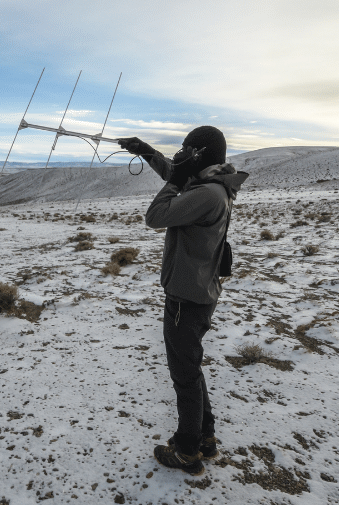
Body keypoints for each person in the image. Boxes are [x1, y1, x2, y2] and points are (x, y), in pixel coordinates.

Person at [118, 126, 248, 476]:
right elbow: (181, 179)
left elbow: (155, 216)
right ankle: (205, 437)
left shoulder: (207, 193)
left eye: (186, 148)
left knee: (185, 376)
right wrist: (148, 153)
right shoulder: (213, 185)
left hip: (186, 298)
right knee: (190, 367)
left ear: (198, 155)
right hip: (198, 292)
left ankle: (188, 449)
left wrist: (174, 180)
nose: (180, 152)